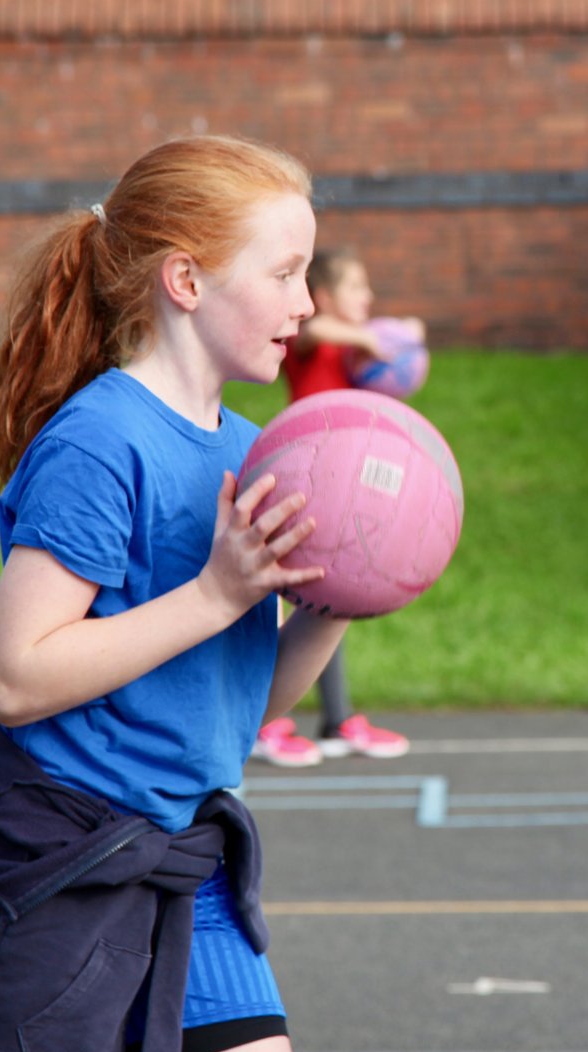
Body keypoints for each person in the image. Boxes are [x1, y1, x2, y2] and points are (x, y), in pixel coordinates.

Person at [0, 135, 347, 1052]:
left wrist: (323, 614)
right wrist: (219, 591)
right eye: (283, 273)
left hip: (189, 868)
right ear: (185, 279)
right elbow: (16, 674)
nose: (306, 303)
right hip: (58, 868)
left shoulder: (253, 452)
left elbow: (235, 706)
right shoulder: (101, 442)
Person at [249, 247, 420, 767]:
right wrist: (374, 336)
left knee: (325, 605)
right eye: (355, 288)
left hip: (344, 491)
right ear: (323, 297)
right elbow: (321, 332)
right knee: (286, 600)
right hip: (304, 482)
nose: (366, 298)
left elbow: (394, 340)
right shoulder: (311, 341)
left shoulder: (354, 355)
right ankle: (264, 721)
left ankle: (337, 719)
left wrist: (399, 334)